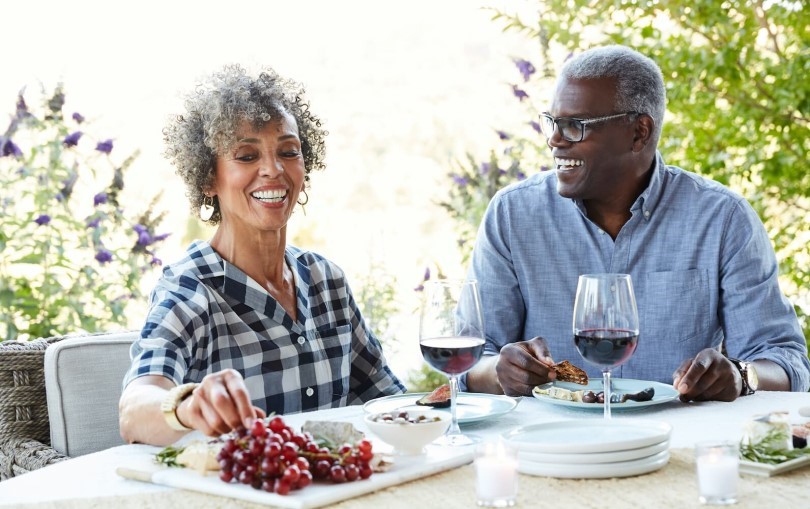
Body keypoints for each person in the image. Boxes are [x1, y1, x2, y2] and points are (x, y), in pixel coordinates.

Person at [462, 45, 810, 402]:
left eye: (574, 126)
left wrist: (742, 375)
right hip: (549, 446)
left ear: (639, 132)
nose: (554, 140)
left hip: (681, 440)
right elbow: (470, 361)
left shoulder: (722, 220)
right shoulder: (512, 215)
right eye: (552, 122)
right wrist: (499, 372)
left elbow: (787, 361)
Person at [119, 65, 405, 446]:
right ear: (208, 178)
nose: (273, 169)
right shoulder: (192, 289)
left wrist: (475, 385)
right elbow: (136, 410)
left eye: (289, 152)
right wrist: (188, 405)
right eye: (246, 156)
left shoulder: (326, 281)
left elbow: (389, 403)